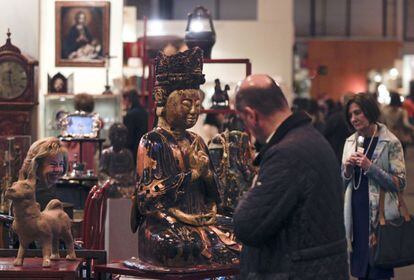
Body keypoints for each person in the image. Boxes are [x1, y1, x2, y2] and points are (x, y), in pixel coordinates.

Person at [130, 48, 240, 268]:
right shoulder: (152, 141)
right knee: (175, 246)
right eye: (186, 104)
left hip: (200, 217)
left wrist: (208, 175)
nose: (193, 111)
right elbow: (147, 198)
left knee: (239, 233)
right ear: (164, 103)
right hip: (165, 221)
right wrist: (193, 174)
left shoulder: (197, 140)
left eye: (197, 105)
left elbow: (216, 197)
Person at [233, 74, 348, 280]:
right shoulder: (309, 138)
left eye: (243, 119)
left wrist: (249, 190)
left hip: (296, 270)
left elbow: (248, 225)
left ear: (251, 115)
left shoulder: (286, 153)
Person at [342, 92, 406, 280]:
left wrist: (370, 168)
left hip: (380, 216)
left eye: (358, 113)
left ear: (369, 112)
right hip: (355, 214)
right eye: (351, 115)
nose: (354, 119)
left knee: (378, 269)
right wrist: (346, 169)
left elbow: (400, 183)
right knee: (360, 270)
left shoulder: (390, 142)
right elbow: (344, 181)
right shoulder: (350, 141)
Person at [19, 137, 67, 210]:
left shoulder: (50, 191)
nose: (58, 169)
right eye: (53, 164)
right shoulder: (32, 196)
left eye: (61, 164)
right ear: (36, 166)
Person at [99, 123, 135, 197]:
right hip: (112, 184)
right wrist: (110, 180)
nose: (121, 139)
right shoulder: (106, 153)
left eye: (123, 136)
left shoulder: (128, 153)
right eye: (118, 136)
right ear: (111, 137)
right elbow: (102, 172)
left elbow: (131, 170)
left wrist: (129, 178)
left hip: (126, 184)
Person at [122, 89, 148, 165]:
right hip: (143, 148)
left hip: (132, 151)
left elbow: (128, 137)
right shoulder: (145, 112)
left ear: (127, 99)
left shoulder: (130, 115)